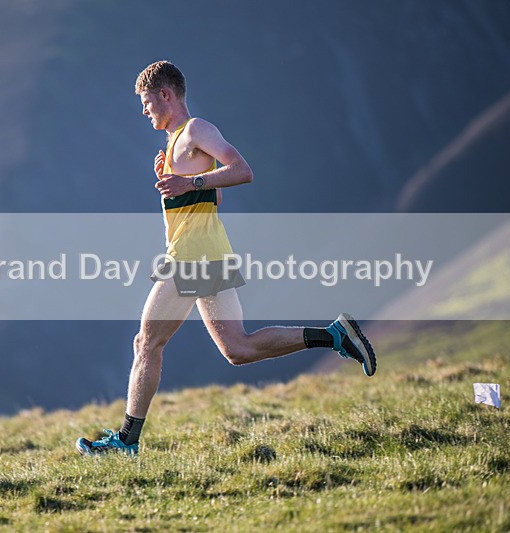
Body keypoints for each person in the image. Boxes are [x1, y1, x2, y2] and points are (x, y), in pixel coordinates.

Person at [76, 61, 376, 456]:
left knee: (146, 344)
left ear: (166, 95)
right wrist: (185, 184)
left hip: (191, 259)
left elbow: (242, 170)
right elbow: (215, 196)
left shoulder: (197, 128)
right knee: (239, 350)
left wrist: (190, 181)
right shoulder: (174, 144)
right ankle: (335, 335)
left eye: (147, 102)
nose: (143, 111)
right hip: (209, 256)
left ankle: (126, 442)